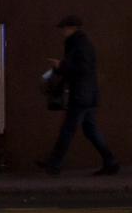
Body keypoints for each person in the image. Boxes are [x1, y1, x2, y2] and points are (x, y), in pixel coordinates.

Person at [42, 15, 120, 176]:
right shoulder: (81, 44)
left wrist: (61, 65)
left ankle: (54, 164)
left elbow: (81, 69)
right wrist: (60, 67)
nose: (63, 31)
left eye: (64, 28)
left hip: (80, 94)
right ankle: (110, 161)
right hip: (88, 94)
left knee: (68, 129)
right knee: (90, 130)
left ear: (72, 28)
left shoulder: (78, 45)